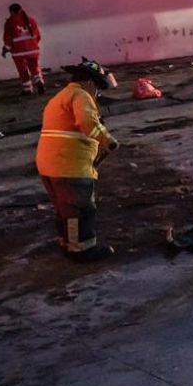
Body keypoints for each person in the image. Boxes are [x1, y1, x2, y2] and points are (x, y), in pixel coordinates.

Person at [36, 58, 120, 262]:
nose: (97, 93)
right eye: (98, 88)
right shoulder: (81, 95)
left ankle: (68, 244)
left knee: (65, 209)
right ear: (90, 82)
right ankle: (82, 250)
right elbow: (87, 122)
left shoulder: (61, 96)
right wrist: (108, 141)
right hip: (70, 166)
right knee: (80, 209)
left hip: (51, 164)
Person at [2, 3, 45, 95]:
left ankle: (27, 89)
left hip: (18, 52)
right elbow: (38, 36)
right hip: (33, 50)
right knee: (35, 67)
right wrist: (33, 45)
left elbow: (8, 39)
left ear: (11, 11)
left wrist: (5, 50)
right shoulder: (31, 20)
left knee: (22, 70)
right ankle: (39, 81)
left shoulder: (10, 22)